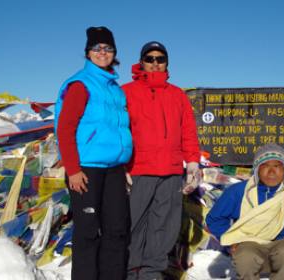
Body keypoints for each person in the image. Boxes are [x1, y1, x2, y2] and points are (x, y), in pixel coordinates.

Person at [54, 26, 132, 280]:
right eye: (97, 48)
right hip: (86, 168)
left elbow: (120, 128)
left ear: (114, 53)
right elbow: (65, 129)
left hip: (114, 170)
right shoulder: (81, 84)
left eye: (107, 48)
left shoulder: (114, 88)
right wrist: (73, 169)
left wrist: (126, 165)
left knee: (117, 229)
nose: (102, 52)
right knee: (87, 232)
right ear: (88, 53)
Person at [122, 41, 201, 280]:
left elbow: (188, 131)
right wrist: (121, 165)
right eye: (150, 58)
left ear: (166, 62)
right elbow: (118, 130)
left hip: (170, 171)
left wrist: (193, 163)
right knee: (133, 225)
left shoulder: (177, 94)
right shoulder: (126, 92)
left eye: (160, 58)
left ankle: (151, 274)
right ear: (141, 61)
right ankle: (129, 272)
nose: (155, 63)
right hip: (138, 171)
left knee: (164, 227)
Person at [206, 144, 284, 280]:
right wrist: (232, 240)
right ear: (257, 169)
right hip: (249, 245)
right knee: (245, 256)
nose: (271, 172)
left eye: (277, 166)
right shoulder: (239, 192)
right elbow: (214, 218)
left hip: (283, 244)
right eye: (265, 166)